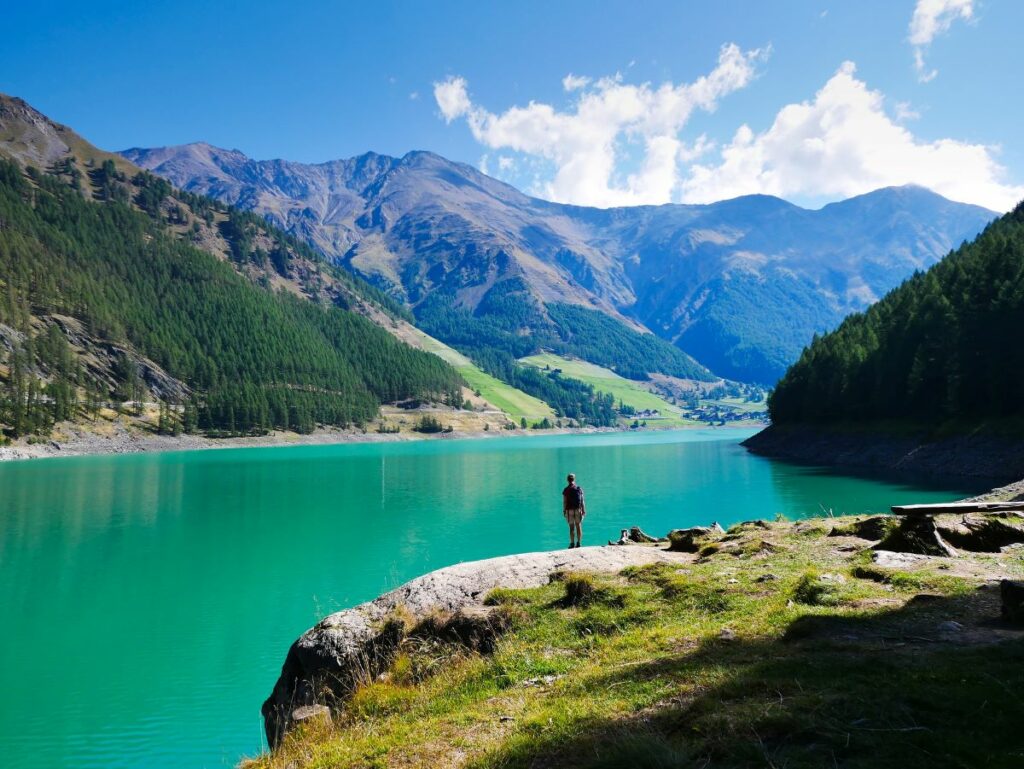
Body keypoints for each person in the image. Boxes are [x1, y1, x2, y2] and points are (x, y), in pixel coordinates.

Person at [562, 473, 586, 548]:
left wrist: (564, 510)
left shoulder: (566, 490)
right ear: (574, 479)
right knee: (578, 526)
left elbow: (565, 501)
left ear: (567, 480)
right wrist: (583, 510)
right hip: (578, 509)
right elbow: (582, 501)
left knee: (571, 527)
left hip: (569, 510)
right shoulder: (579, 488)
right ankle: (578, 543)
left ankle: (572, 543)